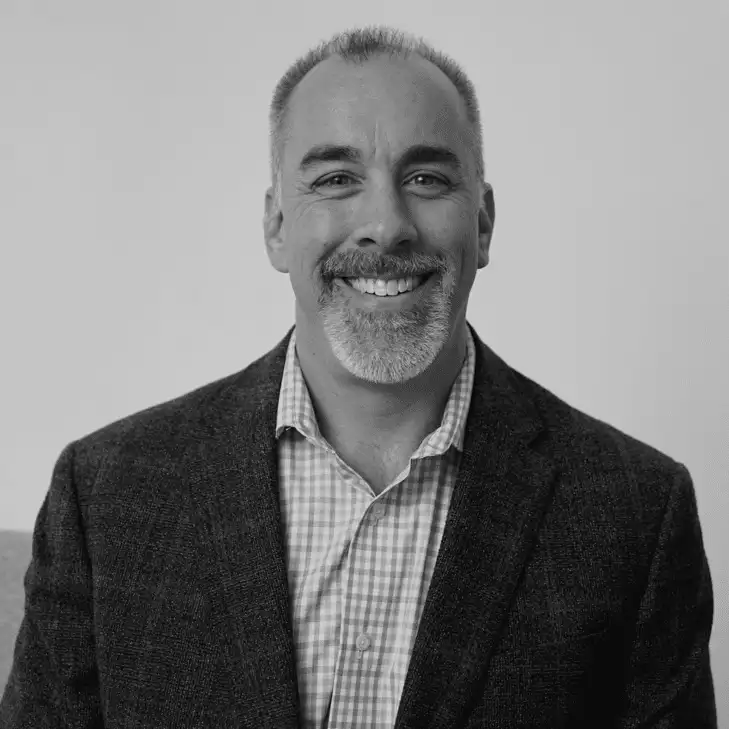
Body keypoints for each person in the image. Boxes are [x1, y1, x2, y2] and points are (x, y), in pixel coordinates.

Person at [0, 24, 717, 729]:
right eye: (336, 180)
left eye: (426, 178)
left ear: (483, 224)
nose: (386, 223)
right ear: (277, 226)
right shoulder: (105, 494)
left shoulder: (635, 514)